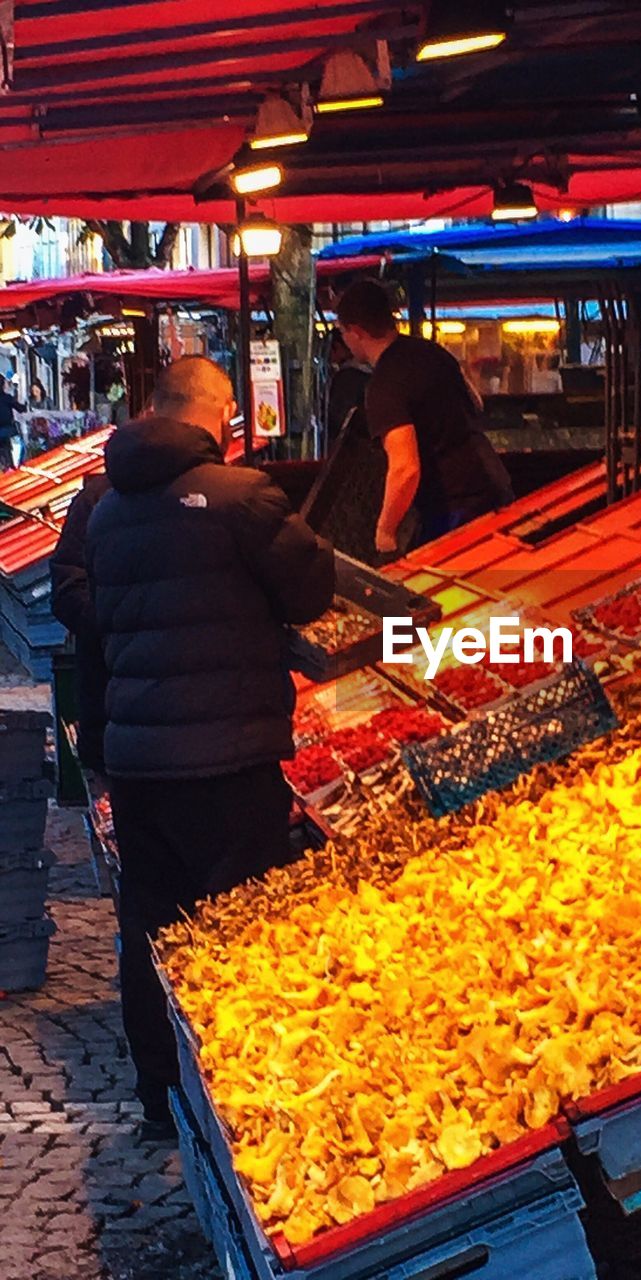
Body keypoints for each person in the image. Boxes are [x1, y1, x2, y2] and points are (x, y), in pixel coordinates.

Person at [85, 355, 335, 1138]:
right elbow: (310, 588)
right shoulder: (241, 497)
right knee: (241, 922)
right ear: (212, 413)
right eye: (230, 409)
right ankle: (241, 1087)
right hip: (228, 756)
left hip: (138, 760)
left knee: (151, 924)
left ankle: (160, 1091)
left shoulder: (104, 511)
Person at [336, 279, 514, 553]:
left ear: (356, 331)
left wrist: (385, 531)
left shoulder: (384, 383)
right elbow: (475, 403)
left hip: (456, 508)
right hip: (494, 485)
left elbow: (405, 468)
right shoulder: (432, 352)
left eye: (342, 331)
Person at [50, 472, 111, 778]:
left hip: (115, 725)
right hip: (113, 719)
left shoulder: (232, 500)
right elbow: (68, 591)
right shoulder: (99, 499)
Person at [0, 378, 24, 469]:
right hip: (8, 430)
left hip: (5, 430)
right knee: (10, 449)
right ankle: (11, 466)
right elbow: (20, 408)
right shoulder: (7, 398)